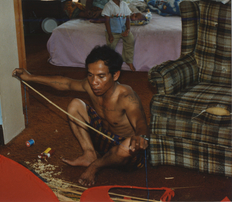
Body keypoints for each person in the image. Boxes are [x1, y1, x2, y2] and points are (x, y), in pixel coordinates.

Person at [12, 45, 150, 187]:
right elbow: (65, 83)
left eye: (101, 76)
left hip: (125, 155)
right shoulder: (90, 85)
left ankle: (95, 166)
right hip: (103, 141)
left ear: (115, 75)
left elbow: (140, 122)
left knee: (128, 146)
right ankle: (89, 154)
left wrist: (141, 137)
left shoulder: (126, 95)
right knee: (75, 105)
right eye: (90, 75)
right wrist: (30, 77)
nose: (94, 82)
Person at [102, 0, 136, 71]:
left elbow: (128, 18)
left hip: (123, 29)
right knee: (110, 47)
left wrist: (127, 29)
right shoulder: (108, 6)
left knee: (130, 41)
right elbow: (106, 22)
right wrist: (110, 34)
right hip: (113, 31)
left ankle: (128, 61)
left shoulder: (124, 4)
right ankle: (111, 64)